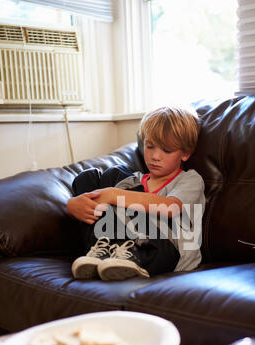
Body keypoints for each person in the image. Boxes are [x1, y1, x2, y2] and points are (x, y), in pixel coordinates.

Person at [67, 105, 205, 281]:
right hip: (126, 248)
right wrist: (72, 205)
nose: (155, 156)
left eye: (166, 150)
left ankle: (131, 255)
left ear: (185, 154)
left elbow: (171, 207)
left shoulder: (190, 180)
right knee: (88, 178)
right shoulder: (134, 181)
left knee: (116, 177)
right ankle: (101, 251)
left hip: (168, 252)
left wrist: (112, 194)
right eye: (150, 146)